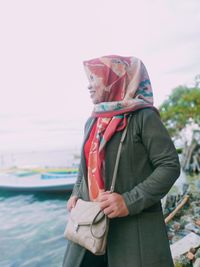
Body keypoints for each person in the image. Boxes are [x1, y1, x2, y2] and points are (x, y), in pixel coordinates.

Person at [62, 55, 180, 267]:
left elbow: (169, 165)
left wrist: (129, 201)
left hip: (133, 229)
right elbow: (86, 166)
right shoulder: (93, 120)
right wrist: (76, 192)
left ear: (115, 80)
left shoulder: (144, 116)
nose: (89, 87)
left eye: (94, 80)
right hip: (91, 224)